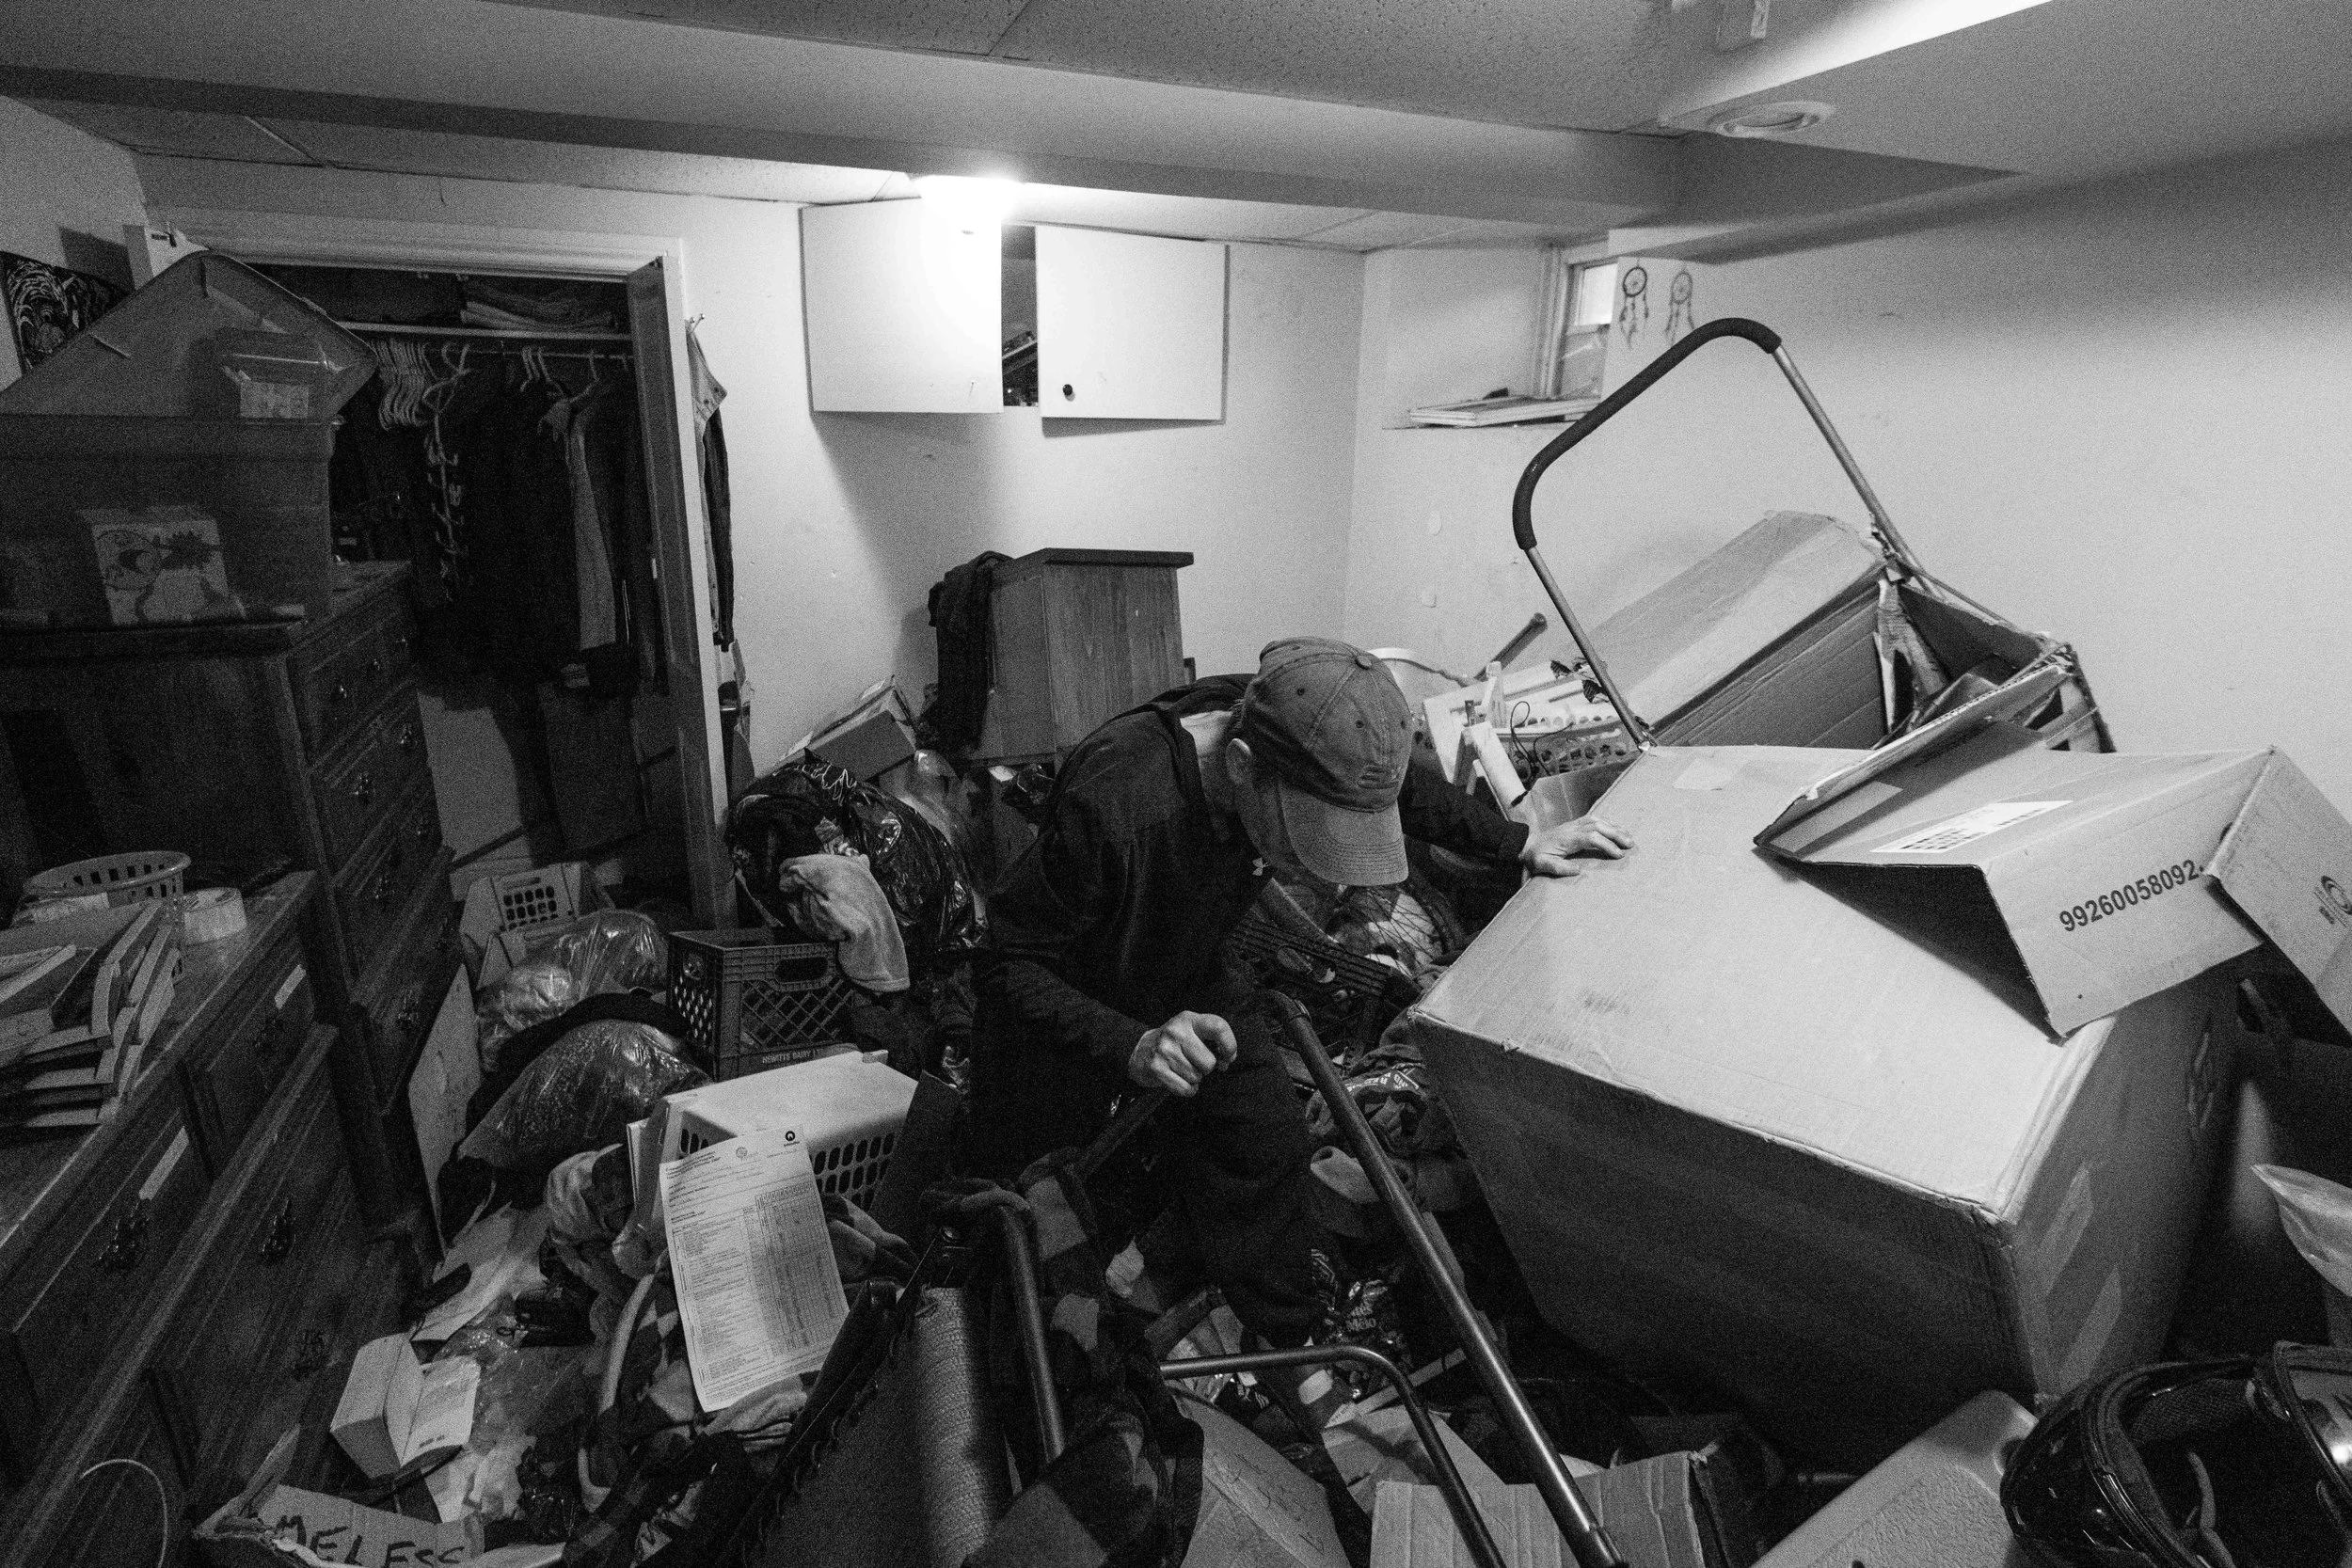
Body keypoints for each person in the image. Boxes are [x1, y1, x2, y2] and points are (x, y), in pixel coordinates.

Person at [969, 637, 1632, 1354]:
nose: (1320, 867)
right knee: (1038, 1218)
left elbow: (1397, 790)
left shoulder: (1290, 721)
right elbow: (1005, 966)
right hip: (1072, 991)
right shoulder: (1118, 806)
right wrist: (1133, 1043)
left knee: (1266, 1131)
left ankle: (1288, 1339)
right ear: (1241, 766)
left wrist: (1518, 841)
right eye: (1303, 836)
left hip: (1185, 955)